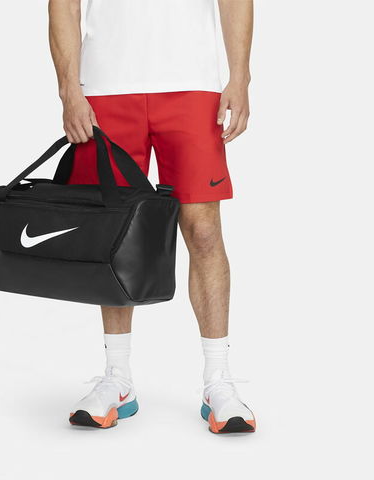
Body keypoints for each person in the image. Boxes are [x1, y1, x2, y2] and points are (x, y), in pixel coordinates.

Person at [48, 0, 255, 434]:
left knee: (203, 231)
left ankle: (218, 381)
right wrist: (69, 89)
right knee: (113, 234)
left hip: (193, 86)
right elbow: (63, 5)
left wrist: (240, 76)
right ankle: (117, 378)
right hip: (105, 87)